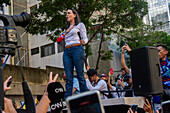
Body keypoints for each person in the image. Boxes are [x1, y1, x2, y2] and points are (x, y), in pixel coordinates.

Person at [57, 8, 88, 98]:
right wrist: (66, 31)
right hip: (67, 51)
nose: (67, 15)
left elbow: (85, 38)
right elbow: (58, 40)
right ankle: (67, 99)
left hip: (77, 49)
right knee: (69, 78)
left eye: (69, 13)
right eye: (66, 13)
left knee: (80, 75)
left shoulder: (80, 25)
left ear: (74, 15)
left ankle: (85, 96)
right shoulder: (66, 29)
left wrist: (84, 42)